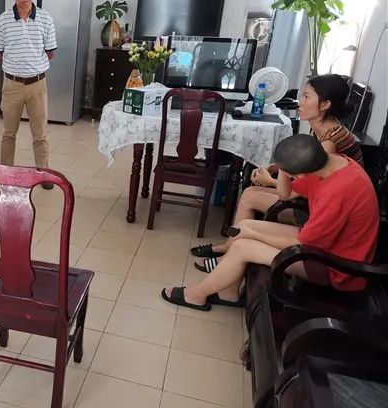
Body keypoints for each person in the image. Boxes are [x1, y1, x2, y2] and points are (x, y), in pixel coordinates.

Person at [162, 134, 378, 312]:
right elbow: (286, 194)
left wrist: (254, 236)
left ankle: (196, 295)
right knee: (245, 226)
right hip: (322, 242)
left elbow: (305, 244)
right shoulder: (332, 163)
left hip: (334, 265)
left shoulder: (337, 193)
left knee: (244, 244)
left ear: (301, 173)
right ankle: (228, 293)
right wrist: (283, 167)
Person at [191, 73, 363, 264]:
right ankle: (228, 248)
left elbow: (300, 191)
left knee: (250, 197)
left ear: (325, 104)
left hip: (319, 213)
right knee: (249, 193)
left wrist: (270, 180)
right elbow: (306, 172)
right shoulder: (324, 128)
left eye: (306, 97)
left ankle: (227, 255)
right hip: (315, 201)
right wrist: (273, 167)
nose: (300, 103)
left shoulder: (329, 144)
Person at [0, 0, 57, 188]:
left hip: (37, 84)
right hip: (12, 85)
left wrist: (32, 65)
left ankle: (44, 173)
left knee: (40, 133)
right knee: (9, 133)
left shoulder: (45, 18)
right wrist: (15, 66)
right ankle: (5, 174)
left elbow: (50, 52)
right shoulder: (4, 20)